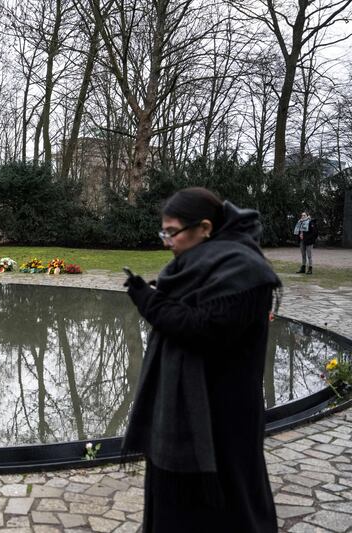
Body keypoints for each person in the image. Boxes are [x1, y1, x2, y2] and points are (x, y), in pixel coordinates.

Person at [122, 187, 280, 533]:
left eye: (172, 231)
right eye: (163, 232)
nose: (166, 241)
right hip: (179, 411)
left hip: (221, 414)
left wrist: (147, 300)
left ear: (205, 228)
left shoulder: (244, 271)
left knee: (226, 503)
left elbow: (202, 329)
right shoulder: (196, 264)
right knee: (174, 505)